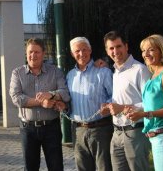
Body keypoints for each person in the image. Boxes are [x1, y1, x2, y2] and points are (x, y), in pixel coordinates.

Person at [9, 38, 70, 171]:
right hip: (27, 129)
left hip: (51, 128)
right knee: (30, 168)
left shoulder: (55, 71)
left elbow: (65, 93)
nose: (33, 55)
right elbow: (16, 98)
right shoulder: (17, 73)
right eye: (30, 52)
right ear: (26, 53)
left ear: (43, 53)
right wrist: (42, 102)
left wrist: (51, 94)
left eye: (37, 52)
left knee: (56, 167)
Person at [126, 34, 163, 171]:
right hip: (158, 138)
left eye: (151, 49)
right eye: (143, 50)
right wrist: (137, 111)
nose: (145, 54)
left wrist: (145, 114)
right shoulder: (153, 76)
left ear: (161, 51)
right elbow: (152, 106)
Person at [101, 31, 151, 171]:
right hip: (116, 133)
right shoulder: (115, 72)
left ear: (126, 47)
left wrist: (122, 107)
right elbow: (123, 97)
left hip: (136, 132)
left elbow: (150, 105)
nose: (115, 51)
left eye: (118, 46)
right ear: (107, 50)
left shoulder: (140, 70)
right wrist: (109, 105)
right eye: (111, 48)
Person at [67, 37, 114, 171]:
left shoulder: (103, 72)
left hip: (101, 130)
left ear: (90, 50)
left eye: (84, 49)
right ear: (72, 54)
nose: (81, 54)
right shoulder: (70, 76)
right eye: (77, 51)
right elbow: (67, 100)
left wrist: (108, 105)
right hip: (78, 130)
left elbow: (115, 96)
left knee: (104, 167)